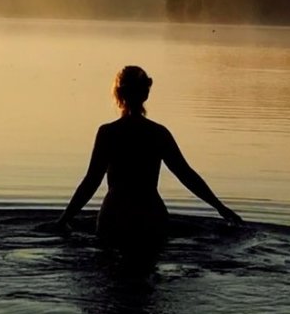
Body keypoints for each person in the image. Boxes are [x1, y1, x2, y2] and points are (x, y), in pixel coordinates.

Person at [57, 65, 243, 249]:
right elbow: (186, 174)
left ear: (118, 95)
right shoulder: (158, 133)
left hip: (115, 214)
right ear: (146, 95)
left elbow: (91, 181)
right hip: (150, 214)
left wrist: (64, 219)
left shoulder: (108, 133)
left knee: (109, 272)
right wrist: (220, 207)